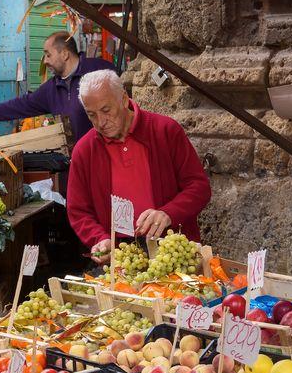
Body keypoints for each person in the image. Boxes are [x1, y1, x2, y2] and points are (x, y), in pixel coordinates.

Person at [66, 70, 211, 264]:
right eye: (92, 115)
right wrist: (99, 238)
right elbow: (78, 210)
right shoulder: (84, 150)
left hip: (173, 249)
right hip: (121, 257)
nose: (100, 122)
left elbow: (199, 187)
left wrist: (168, 213)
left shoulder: (165, 131)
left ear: (124, 99)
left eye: (106, 110)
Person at [0, 31, 116, 142]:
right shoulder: (52, 88)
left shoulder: (99, 70)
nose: (45, 61)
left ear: (65, 54)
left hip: (108, 160)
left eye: (48, 55)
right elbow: (22, 105)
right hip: (76, 165)